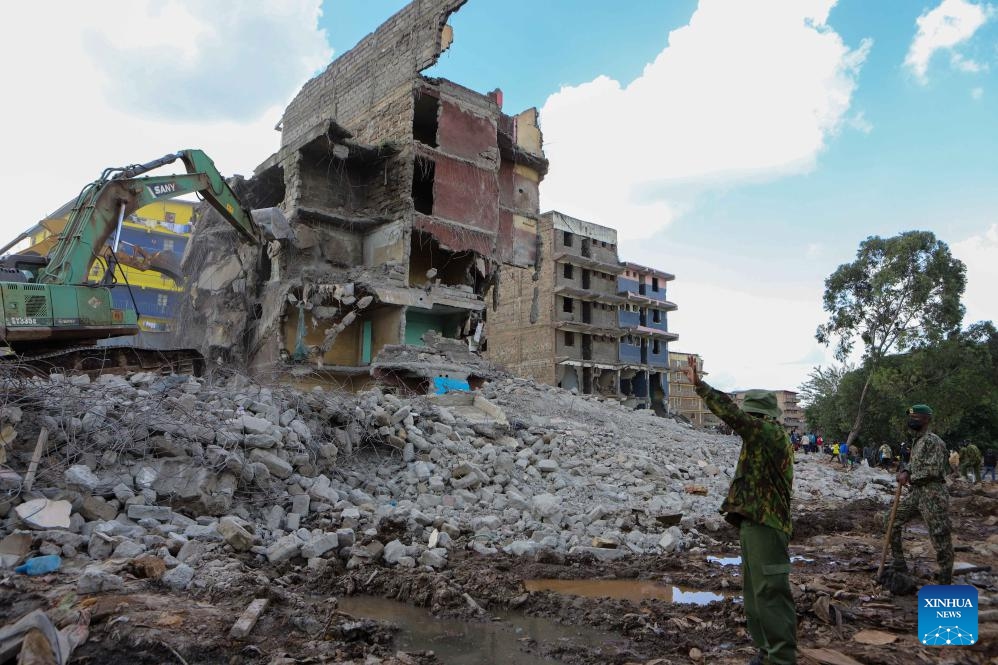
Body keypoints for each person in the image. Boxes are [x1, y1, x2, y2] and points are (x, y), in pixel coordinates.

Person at [682, 356, 795, 665]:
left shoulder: (768, 434)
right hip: (753, 521)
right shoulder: (758, 437)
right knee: (755, 593)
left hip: (767, 524)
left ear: (757, 415)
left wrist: (700, 386)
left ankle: (781, 658)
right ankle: (766, 650)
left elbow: (733, 416)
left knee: (770, 591)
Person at [887, 404, 953, 585]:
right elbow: (915, 464)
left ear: (926, 419)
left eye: (915, 417)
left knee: (940, 534)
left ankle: (945, 580)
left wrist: (909, 476)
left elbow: (935, 470)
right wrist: (906, 470)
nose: (911, 420)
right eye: (910, 417)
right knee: (891, 521)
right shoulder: (918, 441)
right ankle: (899, 564)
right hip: (916, 491)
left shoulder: (933, 441)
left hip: (932, 493)